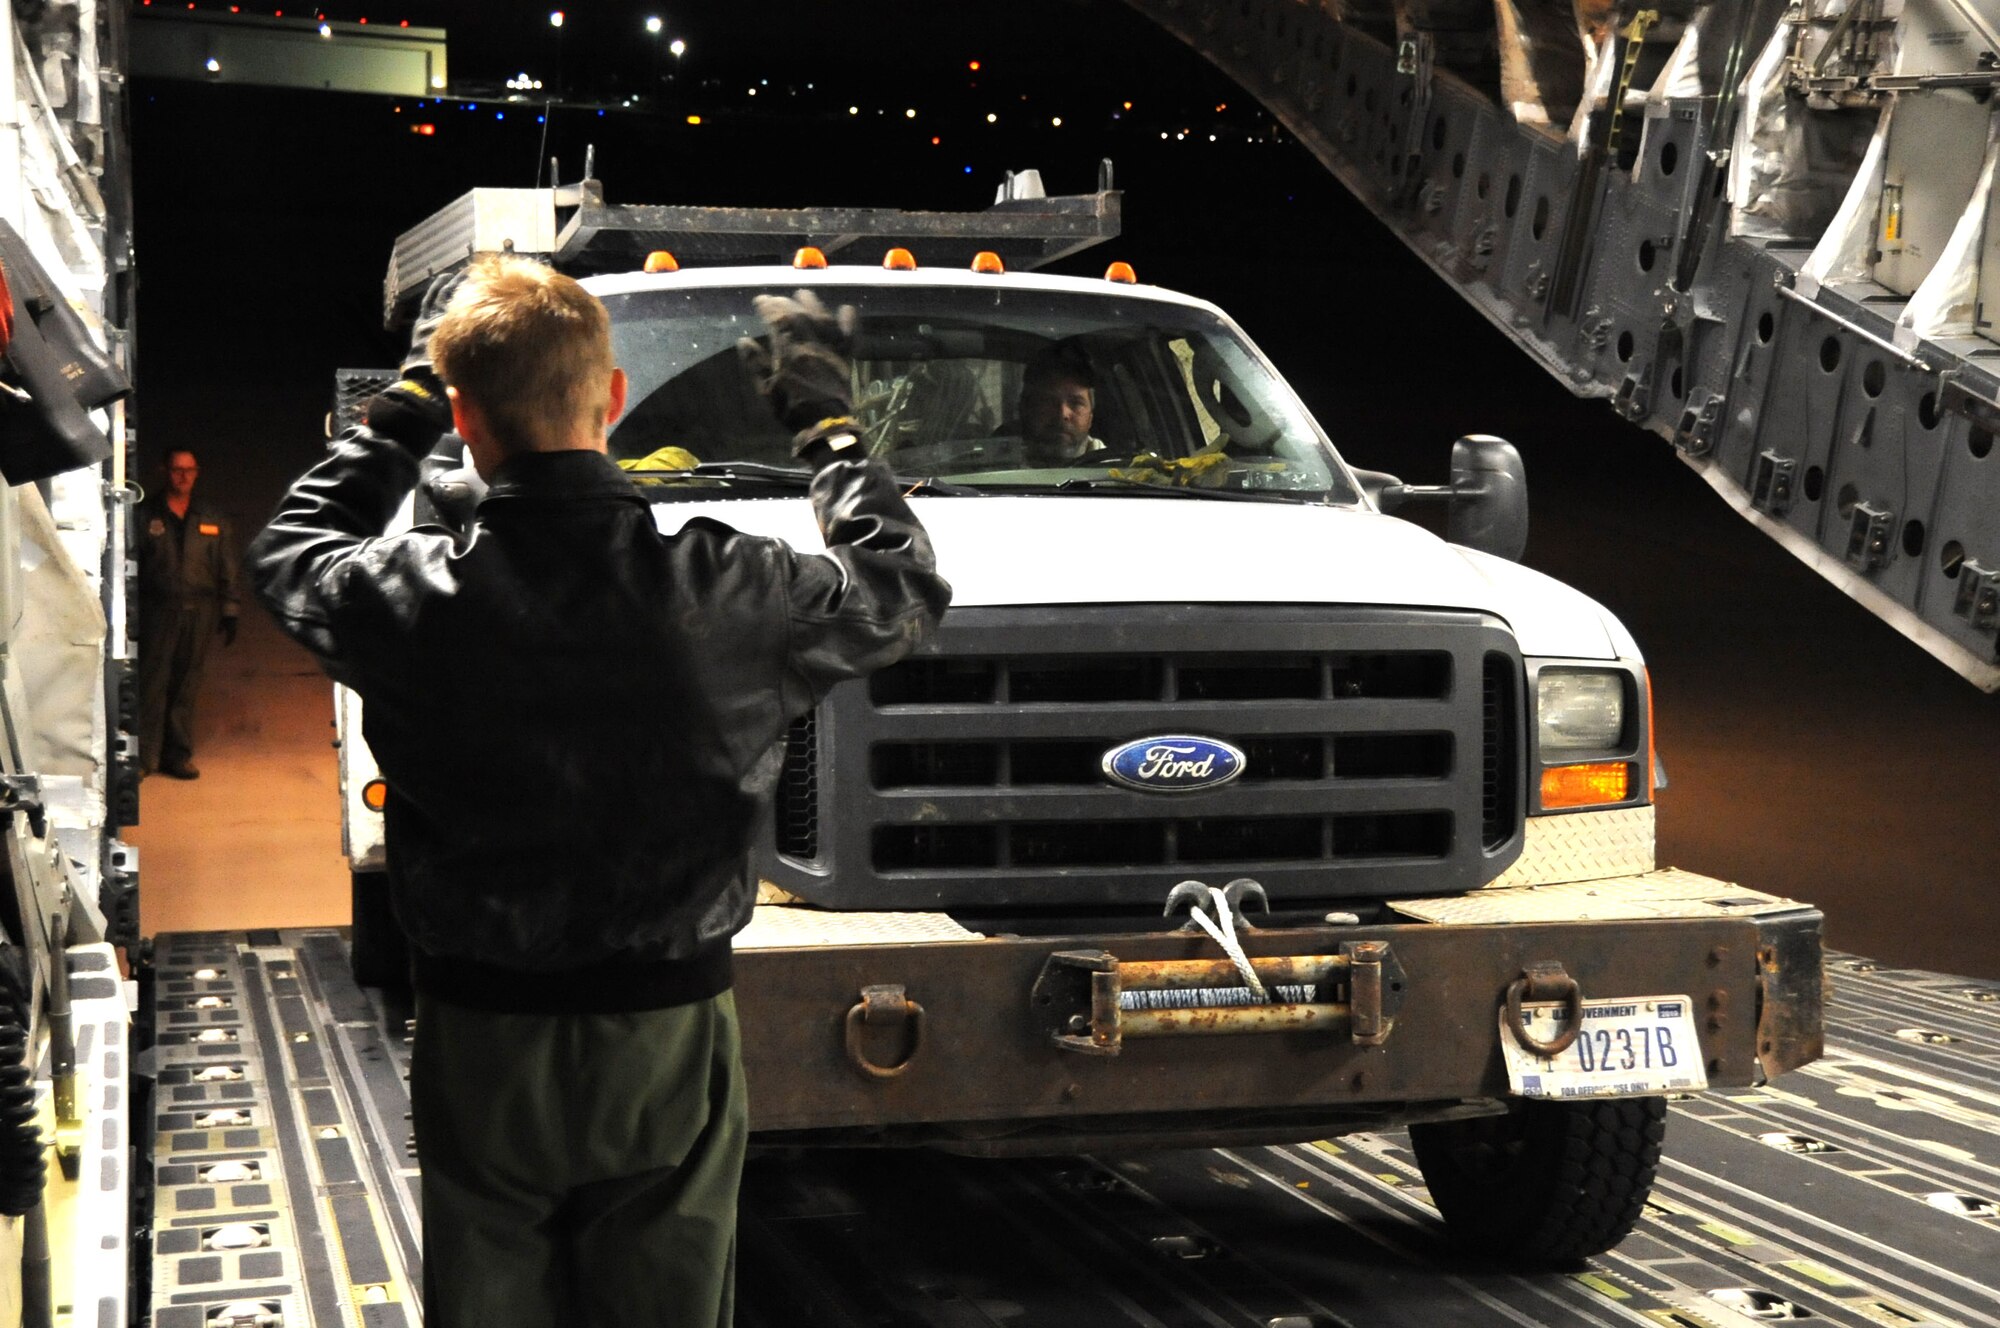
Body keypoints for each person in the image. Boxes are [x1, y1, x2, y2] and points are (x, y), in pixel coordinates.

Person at [247, 256, 949, 1327]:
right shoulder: (732, 586)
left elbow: (288, 551)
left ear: (464, 417)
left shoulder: (409, 595)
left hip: (481, 1035)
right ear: (612, 400)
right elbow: (900, 588)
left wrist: (396, 416)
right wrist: (829, 433)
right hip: (665, 1033)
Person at [135, 447, 240, 779]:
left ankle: (177, 755)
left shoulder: (211, 518)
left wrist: (230, 609)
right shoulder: (143, 515)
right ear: (164, 471)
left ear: (197, 473)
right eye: (176, 469)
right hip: (157, 609)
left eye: (189, 470)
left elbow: (227, 567)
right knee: (151, 684)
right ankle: (143, 759)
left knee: (185, 685)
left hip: (199, 612)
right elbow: (130, 564)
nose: (183, 476)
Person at [1019, 347, 1107, 462]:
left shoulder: (1114, 472)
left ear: (1090, 417)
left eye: (1076, 403)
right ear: (1026, 410)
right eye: (1048, 402)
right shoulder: (997, 470)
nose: (1062, 413)